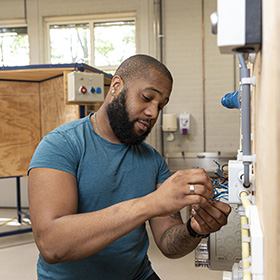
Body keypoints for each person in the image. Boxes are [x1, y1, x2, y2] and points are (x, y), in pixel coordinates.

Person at [28, 54, 231, 280]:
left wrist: (195, 229)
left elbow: (168, 243)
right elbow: (51, 245)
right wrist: (151, 203)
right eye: (146, 97)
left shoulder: (153, 160)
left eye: (160, 106)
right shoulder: (61, 145)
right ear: (116, 86)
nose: (153, 113)